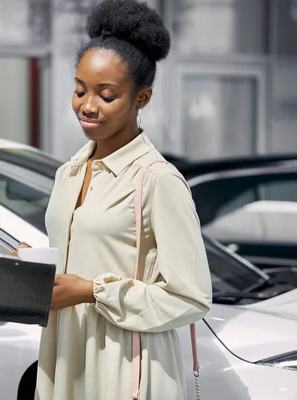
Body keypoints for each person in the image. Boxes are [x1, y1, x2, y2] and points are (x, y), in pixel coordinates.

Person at [34, 1, 212, 399]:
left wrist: (90, 290)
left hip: (126, 369)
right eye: (79, 90)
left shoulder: (157, 180)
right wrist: (34, 268)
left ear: (142, 98)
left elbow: (192, 298)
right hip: (65, 358)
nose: (87, 105)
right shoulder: (69, 173)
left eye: (106, 95)